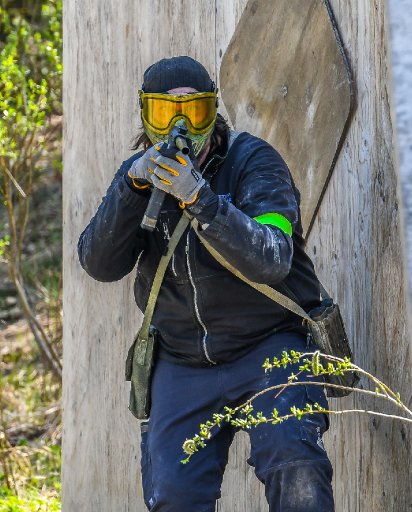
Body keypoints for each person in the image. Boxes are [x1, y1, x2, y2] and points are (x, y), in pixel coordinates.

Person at [78, 56, 335, 512]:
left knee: (295, 465)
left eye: (194, 111)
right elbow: (99, 263)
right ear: (147, 118)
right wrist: (131, 185)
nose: (181, 126)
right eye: (165, 112)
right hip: (182, 359)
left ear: (213, 113)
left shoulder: (254, 162)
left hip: (269, 346)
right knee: (173, 496)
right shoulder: (139, 179)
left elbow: (273, 257)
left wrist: (201, 200)